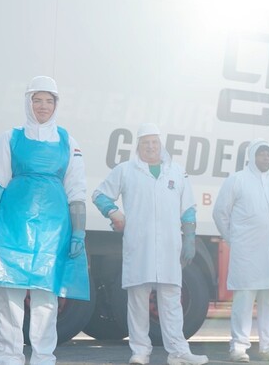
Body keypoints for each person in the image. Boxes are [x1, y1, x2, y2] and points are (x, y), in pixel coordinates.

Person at [0, 76, 89, 365]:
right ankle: (8, 358)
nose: (43, 106)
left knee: (46, 299)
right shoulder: (10, 138)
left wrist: (78, 231)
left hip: (53, 229)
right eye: (37, 100)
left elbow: (76, 189)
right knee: (10, 296)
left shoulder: (68, 141)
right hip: (14, 225)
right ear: (28, 102)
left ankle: (43, 358)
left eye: (49, 101)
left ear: (56, 105)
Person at [92, 123, 208, 365]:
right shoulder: (126, 170)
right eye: (146, 142)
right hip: (139, 246)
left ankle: (178, 352)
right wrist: (114, 213)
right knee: (137, 301)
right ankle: (140, 352)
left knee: (172, 301)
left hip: (169, 248)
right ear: (138, 145)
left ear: (160, 144)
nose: (151, 146)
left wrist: (189, 238)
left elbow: (188, 208)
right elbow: (99, 195)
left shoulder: (176, 171)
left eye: (154, 142)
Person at [212, 139, 269, 363]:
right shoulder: (237, 180)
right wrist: (233, 239)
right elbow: (220, 213)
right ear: (252, 156)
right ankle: (238, 347)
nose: (266, 158)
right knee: (244, 303)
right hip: (246, 254)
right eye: (261, 154)